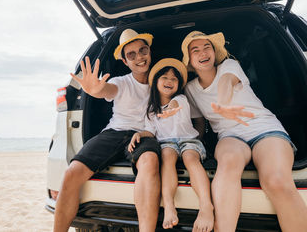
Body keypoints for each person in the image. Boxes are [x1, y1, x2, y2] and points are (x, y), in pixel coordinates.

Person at [181, 31, 307, 232]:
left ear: (214, 52)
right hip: (230, 136)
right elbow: (198, 123)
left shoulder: (230, 66)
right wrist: (193, 143)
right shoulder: (190, 89)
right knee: (228, 163)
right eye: (195, 50)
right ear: (189, 60)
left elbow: (226, 83)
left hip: (264, 128)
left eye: (207, 47)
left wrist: (222, 104)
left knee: (275, 181)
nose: (202, 53)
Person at [53, 29, 162, 232]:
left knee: (150, 161)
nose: (139, 57)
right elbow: (107, 91)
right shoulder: (120, 82)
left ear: (149, 51)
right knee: (71, 173)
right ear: (125, 61)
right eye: (132, 55)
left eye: (143, 50)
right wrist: (95, 90)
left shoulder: (162, 82)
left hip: (145, 136)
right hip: (115, 133)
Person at [128, 58, 214, 231]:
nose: (169, 81)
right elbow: (151, 132)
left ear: (179, 85)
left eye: (174, 79)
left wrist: (169, 110)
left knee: (191, 159)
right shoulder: (151, 110)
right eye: (165, 77)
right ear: (156, 82)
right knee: (167, 158)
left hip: (188, 140)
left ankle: (206, 206)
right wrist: (139, 134)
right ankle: (169, 206)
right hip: (167, 143)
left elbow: (175, 105)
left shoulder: (181, 99)